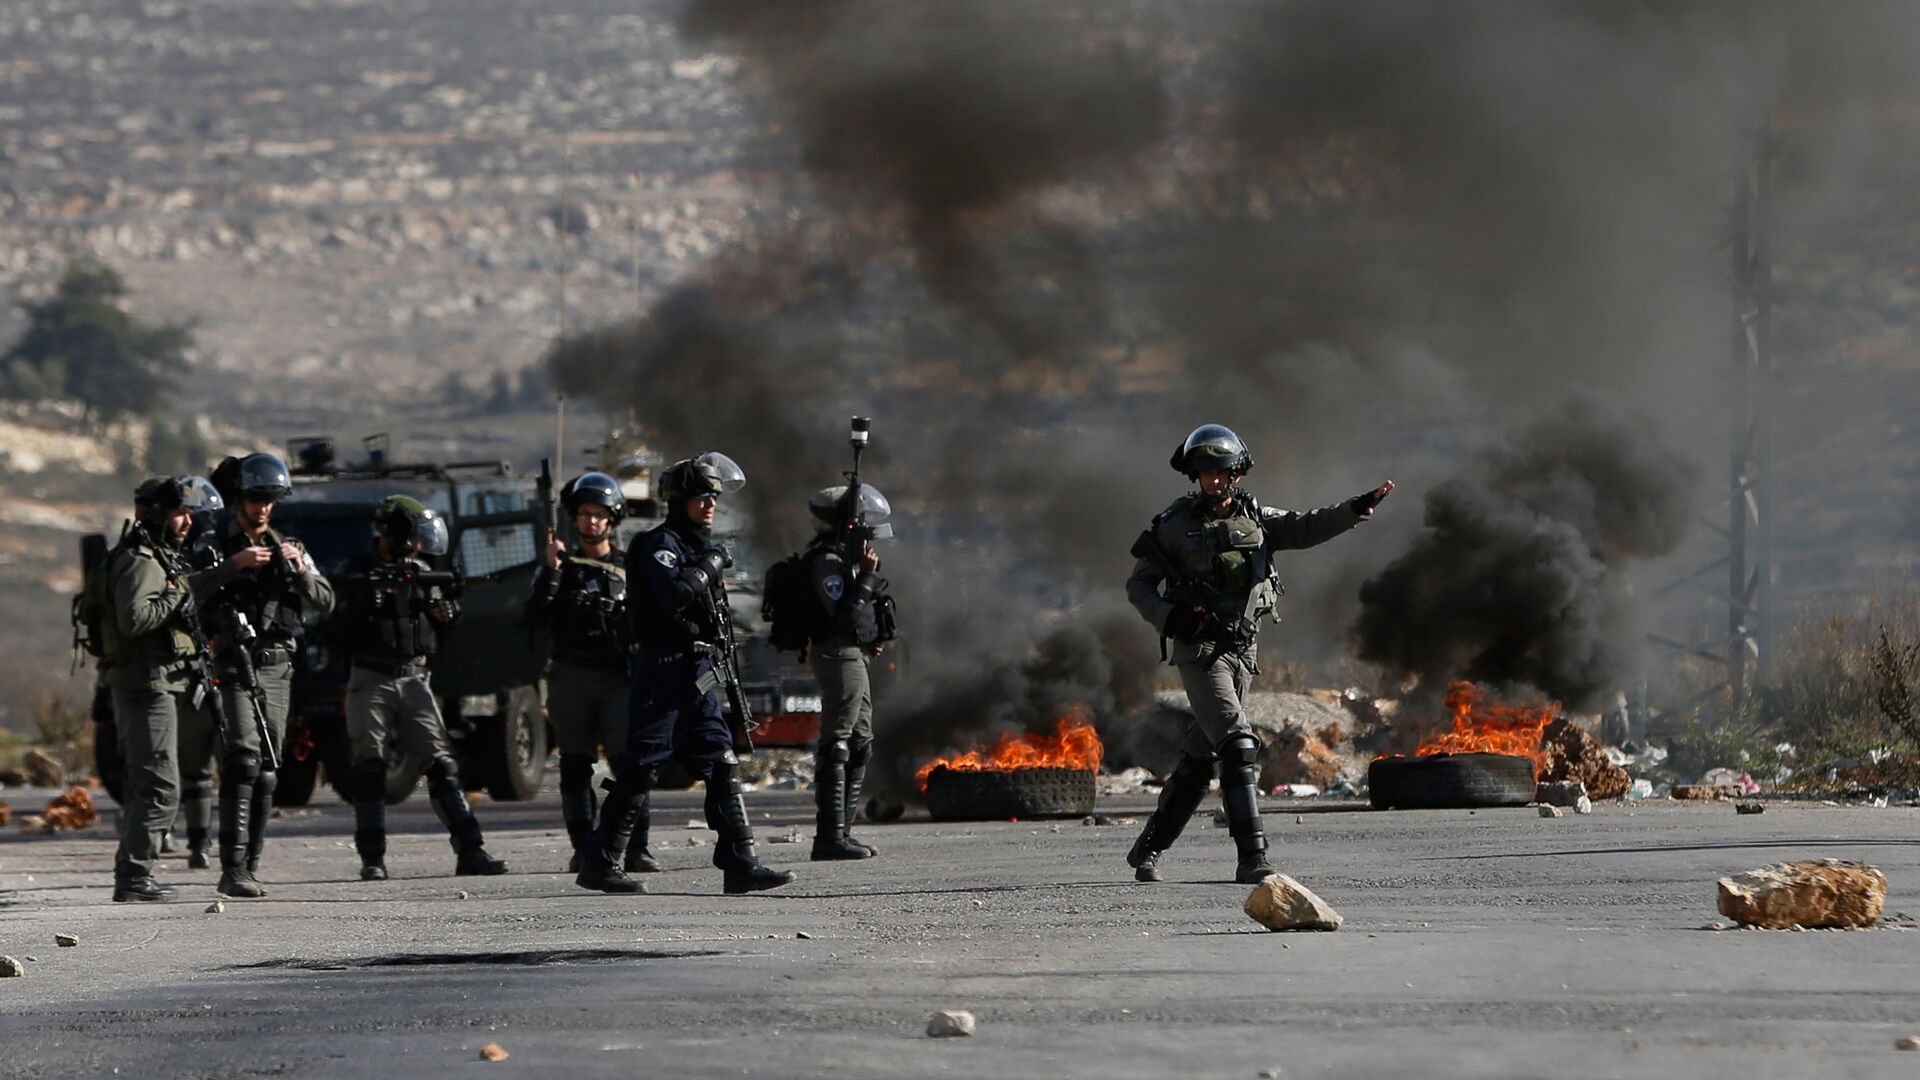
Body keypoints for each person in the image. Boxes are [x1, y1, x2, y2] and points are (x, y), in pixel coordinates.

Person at [1124, 424, 1392, 884]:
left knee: (1200, 754)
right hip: (1199, 649)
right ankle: (1253, 857)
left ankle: (1147, 850)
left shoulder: (1257, 517)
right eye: (1205, 472)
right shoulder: (1173, 526)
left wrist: (1355, 509)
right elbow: (1139, 585)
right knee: (1237, 739)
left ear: (1237, 473)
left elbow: (1308, 526)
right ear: (1194, 475)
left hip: (1243, 651)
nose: (1213, 480)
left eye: (1221, 471)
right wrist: (1169, 617)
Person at [576, 452, 795, 895]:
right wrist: (710, 566)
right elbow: (673, 597)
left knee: (720, 761)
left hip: (698, 671)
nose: (710, 504)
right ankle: (601, 860)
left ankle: (740, 863)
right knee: (641, 765)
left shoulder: (698, 547)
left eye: (714, 496)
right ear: (680, 500)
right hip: (664, 668)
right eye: (701, 496)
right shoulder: (657, 545)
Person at [335, 494, 506, 880]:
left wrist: (444, 612)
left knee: (442, 764)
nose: (415, 546)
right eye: (410, 536)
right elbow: (338, 626)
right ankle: (372, 858)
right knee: (370, 767)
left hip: (415, 677)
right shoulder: (357, 572)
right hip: (371, 677)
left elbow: (446, 623)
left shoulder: (422, 572)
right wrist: (372, 600)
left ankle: (470, 850)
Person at [188, 452, 334, 898]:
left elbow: (326, 601)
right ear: (239, 499)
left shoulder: (287, 545)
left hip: (277, 668)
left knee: (269, 767)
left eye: (269, 500)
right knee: (242, 759)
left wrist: (301, 569)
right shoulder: (215, 542)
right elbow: (187, 590)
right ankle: (231, 869)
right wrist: (234, 566)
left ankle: (250, 865)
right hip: (233, 664)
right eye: (254, 499)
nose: (262, 508)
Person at [525, 471, 658, 875]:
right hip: (570, 675)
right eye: (584, 513)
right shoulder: (558, 565)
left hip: (617, 676)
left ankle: (636, 847)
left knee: (628, 763)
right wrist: (551, 572)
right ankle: (584, 846)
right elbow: (533, 618)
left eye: (599, 514)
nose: (591, 521)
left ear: (612, 519)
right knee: (575, 765)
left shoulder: (627, 567)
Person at [100, 475, 224, 902]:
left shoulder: (156, 556)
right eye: (181, 513)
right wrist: (178, 597)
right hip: (145, 684)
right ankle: (134, 879)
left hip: (156, 682)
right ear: (159, 514)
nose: (188, 522)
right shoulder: (140, 561)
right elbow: (133, 620)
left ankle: (133, 874)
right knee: (160, 785)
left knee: (149, 781)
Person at [799, 483, 897, 861]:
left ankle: (843, 832)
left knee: (860, 739)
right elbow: (841, 616)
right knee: (838, 740)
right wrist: (867, 577)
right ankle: (828, 837)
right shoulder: (825, 562)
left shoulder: (842, 561)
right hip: (837, 654)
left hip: (853, 653)